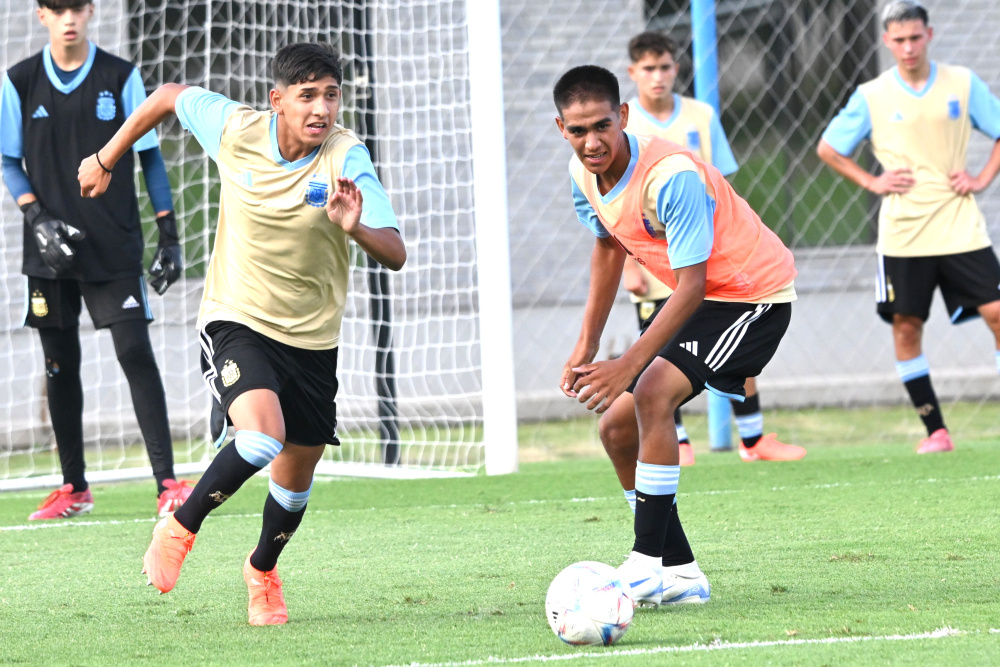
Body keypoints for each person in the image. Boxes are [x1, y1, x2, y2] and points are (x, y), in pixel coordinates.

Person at [79, 42, 406, 626]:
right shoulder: (235, 128)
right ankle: (178, 529)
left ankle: (261, 573)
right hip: (237, 316)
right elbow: (167, 97)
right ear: (276, 101)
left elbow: (396, 252)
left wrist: (356, 228)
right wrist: (106, 158)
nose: (322, 109)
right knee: (261, 438)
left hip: (312, 341)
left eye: (331, 96)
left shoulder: (347, 157)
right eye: (307, 96)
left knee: (294, 486)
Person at [554, 65, 797, 606]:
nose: (591, 142)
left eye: (601, 126)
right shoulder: (582, 174)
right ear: (560, 128)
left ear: (622, 116)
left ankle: (643, 564)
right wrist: (587, 345)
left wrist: (626, 365)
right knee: (616, 428)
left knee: (650, 391)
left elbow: (691, 285)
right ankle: (681, 574)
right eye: (577, 131)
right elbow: (608, 245)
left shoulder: (671, 175)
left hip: (753, 297)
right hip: (703, 299)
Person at [1, 0, 191, 520]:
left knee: (134, 354)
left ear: (91, 12)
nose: (68, 18)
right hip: (49, 253)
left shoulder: (121, 76)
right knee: (59, 366)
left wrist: (169, 235)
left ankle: (168, 484)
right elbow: (9, 162)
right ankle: (74, 489)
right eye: (56, 8)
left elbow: (150, 156)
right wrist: (37, 220)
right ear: (42, 14)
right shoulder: (18, 81)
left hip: (114, 244)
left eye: (76, 8)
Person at [817, 0, 1000, 454]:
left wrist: (981, 178)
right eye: (899, 40)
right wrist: (871, 181)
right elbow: (828, 148)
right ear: (887, 42)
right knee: (906, 327)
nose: (908, 47)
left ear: (929, 35)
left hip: (960, 224)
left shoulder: (963, 82)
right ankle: (936, 431)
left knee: (997, 312)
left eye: (915, 37)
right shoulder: (872, 94)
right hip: (903, 234)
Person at [623, 31, 804, 466]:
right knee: (659, 356)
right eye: (648, 69)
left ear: (676, 69)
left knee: (734, 349)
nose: (658, 76)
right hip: (654, 264)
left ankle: (753, 439)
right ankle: (679, 443)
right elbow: (621, 206)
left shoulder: (700, 115)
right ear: (633, 73)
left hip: (709, 262)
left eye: (664, 67)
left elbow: (723, 187)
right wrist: (631, 262)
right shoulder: (624, 126)